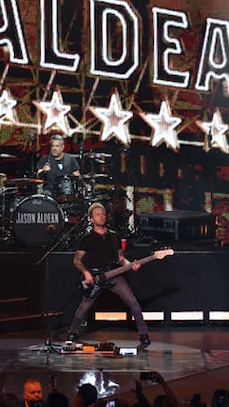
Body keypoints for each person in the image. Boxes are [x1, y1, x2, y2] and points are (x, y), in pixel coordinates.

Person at [67, 202, 150, 346]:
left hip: (114, 275)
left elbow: (121, 259)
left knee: (133, 302)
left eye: (103, 214)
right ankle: (73, 333)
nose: (101, 216)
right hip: (95, 277)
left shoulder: (114, 236)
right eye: (98, 214)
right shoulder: (86, 238)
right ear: (91, 219)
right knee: (83, 308)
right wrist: (86, 273)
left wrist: (132, 265)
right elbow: (77, 260)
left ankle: (143, 334)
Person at [35, 134, 81, 200]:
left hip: (67, 193)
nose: (54, 148)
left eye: (57, 146)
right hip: (49, 192)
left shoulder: (70, 159)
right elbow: (38, 176)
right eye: (52, 146)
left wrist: (77, 178)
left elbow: (77, 176)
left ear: (62, 147)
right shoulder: (45, 159)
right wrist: (43, 171)